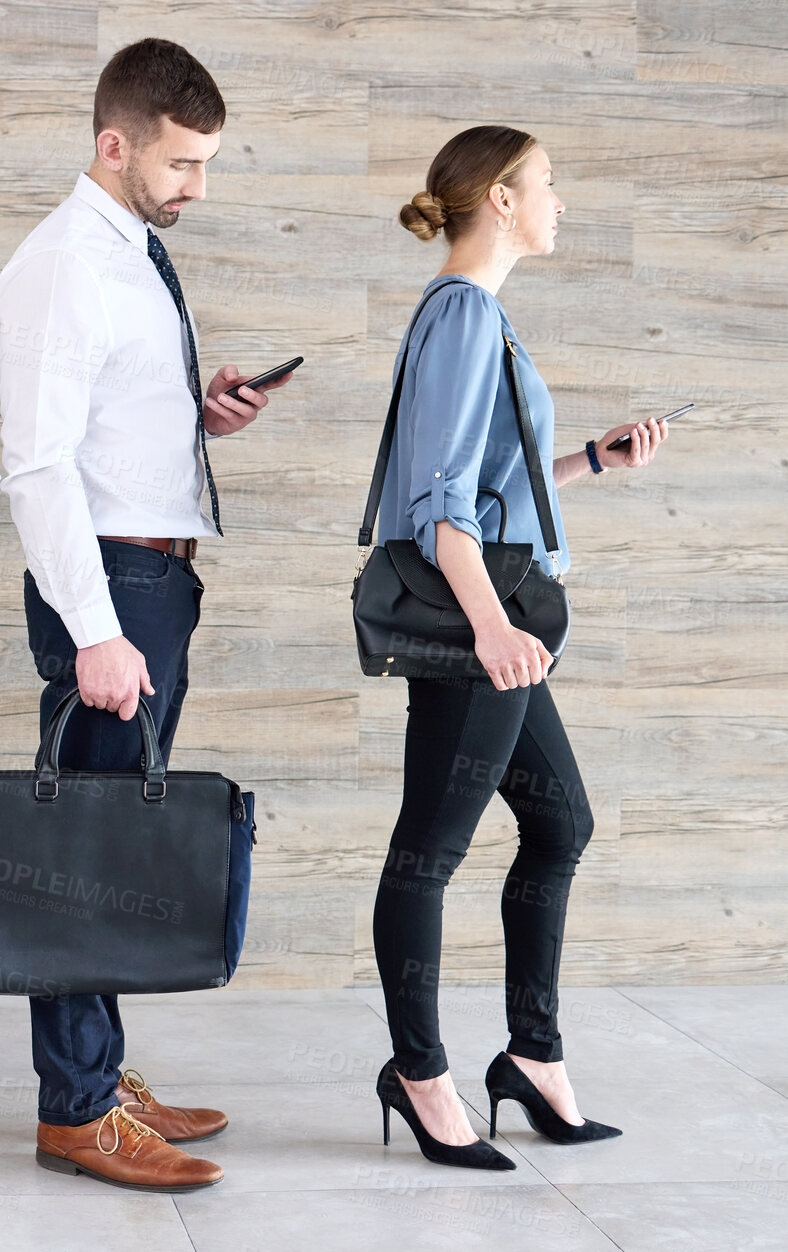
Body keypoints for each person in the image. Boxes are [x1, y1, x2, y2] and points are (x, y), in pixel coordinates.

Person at [0, 38, 290, 1192]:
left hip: (151, 576)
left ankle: (101, 1073)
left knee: (114, 836)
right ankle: (74, 1110)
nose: (195, 189)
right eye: (179, 164)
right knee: (85, 847)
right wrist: (94, 628)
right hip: (108, 589)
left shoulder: (133, 254)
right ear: (113, 144)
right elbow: (38, 467)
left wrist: (196, 415)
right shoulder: (69, 262)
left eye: (207, 164)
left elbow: (106, 426)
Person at [371, 125, 667, 1169]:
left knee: (562, 821)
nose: (561, 200)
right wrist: (492, 629)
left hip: (498, 608)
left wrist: (589, 458)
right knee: (429, 852)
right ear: (499, 196)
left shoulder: (478, 319)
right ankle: (418, 1072)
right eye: (548, 182)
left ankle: (531, 1059)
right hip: (479, 619)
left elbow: (494, 485)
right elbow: (443, 499)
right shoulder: (462, 315)